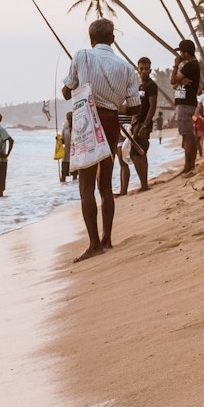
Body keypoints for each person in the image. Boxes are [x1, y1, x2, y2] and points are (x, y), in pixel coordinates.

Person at [62, 17, 141, 260]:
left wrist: (72, 83)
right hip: (110, 121)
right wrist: (115, 109)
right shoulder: (127, 67)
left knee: (86, 185)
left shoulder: (82, 55)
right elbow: (135, 107)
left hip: (87, 120)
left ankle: (94, 244)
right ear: (113, 39)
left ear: (91, 38)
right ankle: (106, 239)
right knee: (105, 184)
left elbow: (67, 92)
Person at [124, 56, 159, 192]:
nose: (144, 71)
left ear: (150, 70)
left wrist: (145, 125)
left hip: (143, 124)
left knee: (136, 153)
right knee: (141, 153)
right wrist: (133, 121)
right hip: (136, 123)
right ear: (138, 70)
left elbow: (152, 107)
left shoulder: (151, 85)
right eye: (141, 69)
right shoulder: (140, 87)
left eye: (146, 69)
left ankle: (144, 185)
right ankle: (144, 183)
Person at [173, 58, 202, 174]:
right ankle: (190, 164)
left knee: (188, 135)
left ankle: (188, 165)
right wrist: (180, 81)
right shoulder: (190, 67)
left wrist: (175, 65)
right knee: (188, 136)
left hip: (185, 104)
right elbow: (174, 85)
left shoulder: (190, 65)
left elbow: (172, 80)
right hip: (185, 104)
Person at [60, 111, 74, 183]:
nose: (69, 120)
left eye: (71, 118)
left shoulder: (77, 127)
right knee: (63, 177)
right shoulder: (65, 127)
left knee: (75, 177)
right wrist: (58, 140)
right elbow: (62, 141)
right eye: (68, 118)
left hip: (75, 156)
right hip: (66, 155)